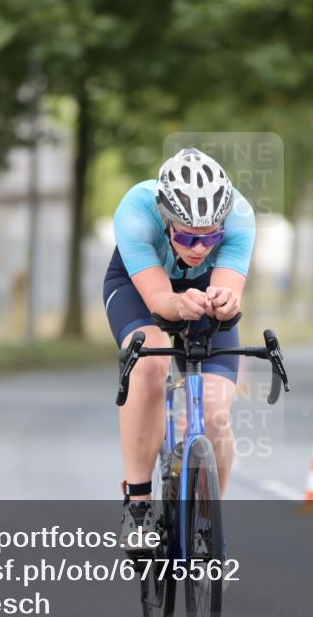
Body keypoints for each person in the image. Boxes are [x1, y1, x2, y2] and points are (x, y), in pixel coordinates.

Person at [103, 148, 255, 551]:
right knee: (150, 366)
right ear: (166, 218)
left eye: (211, 237)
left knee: (214, 413)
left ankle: (208, 523)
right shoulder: (136, 210)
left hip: (203, 291)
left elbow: (229, 290)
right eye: (187, 236)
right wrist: (176, 303)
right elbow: (158, 300)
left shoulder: (240, 216)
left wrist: (226, 303)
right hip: (140, 286)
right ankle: (138, 506)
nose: (200, 248)